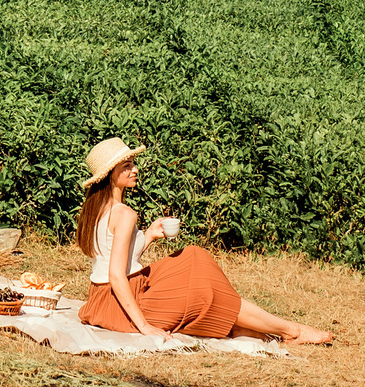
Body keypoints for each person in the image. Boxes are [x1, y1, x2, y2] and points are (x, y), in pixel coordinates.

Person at [74, 137, 333, 344]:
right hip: (122, 300)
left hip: (100, 299)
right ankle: (291, 330)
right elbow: (117, 275)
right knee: (201, 287)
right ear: (110, 175)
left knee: (194, 258)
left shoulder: (95, 209)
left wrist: (149, 235)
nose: (135, 169)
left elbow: (113, 253)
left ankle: (253, 329)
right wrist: (144, 326)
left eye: (132, 163)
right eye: (127, 166)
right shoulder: (125, 213)